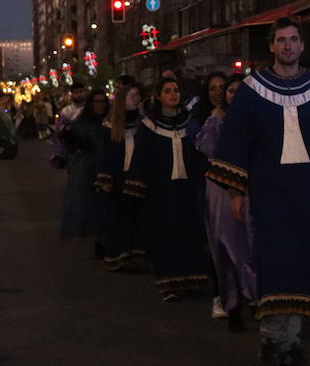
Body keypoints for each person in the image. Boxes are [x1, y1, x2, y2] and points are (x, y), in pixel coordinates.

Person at [207, 17, 310, 366]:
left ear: (301, 46)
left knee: (303, 265)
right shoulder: (251, 90)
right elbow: (237, 142)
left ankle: (292, 341)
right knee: (272, 265)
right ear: (271, 46)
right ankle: (271, 340)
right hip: (268, 194)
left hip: (307, 194)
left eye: (293, 40)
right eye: (281, 40)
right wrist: (236, 191)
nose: (287, 46)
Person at [124, 78, 210, 301]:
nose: (173, 95)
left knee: (189, 233)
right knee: (166, 235)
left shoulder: (190, 123)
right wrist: (138, 187)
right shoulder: (149, 125)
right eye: (168, 91)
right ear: (159, 96)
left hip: (187, 189)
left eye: (176, 90)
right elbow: (141, 157)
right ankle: (169, 283)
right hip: (161, 191)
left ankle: (192, 279)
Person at [196, 73, 256, 332]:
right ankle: (232, 304)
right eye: (230, 91)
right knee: (228, 248)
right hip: (222, 191)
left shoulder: (257, 120)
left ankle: (256, 300)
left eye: (238, 90)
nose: (234, 95)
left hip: (253, 191)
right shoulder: (215, 121)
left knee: (254, 247)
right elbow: (207, 149)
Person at [96, 84, 147, 272]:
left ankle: (138, 255)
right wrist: (105, 180)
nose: (136, 99)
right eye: (132, 96)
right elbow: (104, 156)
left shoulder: (143, 125)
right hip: (119, 180)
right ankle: (120, 255)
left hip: (138, 178)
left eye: (137, 95)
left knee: (139, 218)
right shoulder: (109, 127)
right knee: (119, 219)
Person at [60, 89, 109, 245]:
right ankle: (98, 240)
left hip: (110, 165)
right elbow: (73, 144)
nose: (100, 105)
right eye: (97, 102)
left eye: (103, 102)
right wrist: (68, 134)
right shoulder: (82, 122)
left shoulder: (111, 120)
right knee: (94, 205)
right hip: (90, 168)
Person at [50, 83, 86, 169]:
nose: (78, 95)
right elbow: (59, 131)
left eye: (80, 92)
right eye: (75, 92)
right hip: (72, 150)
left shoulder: (91, 108)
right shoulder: (66, 111)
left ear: (85, 92)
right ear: (72, 94)